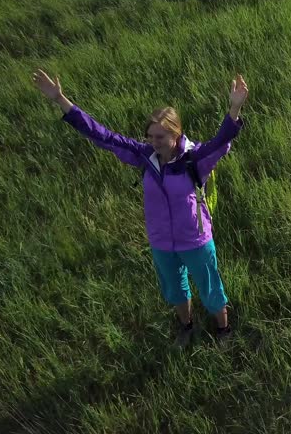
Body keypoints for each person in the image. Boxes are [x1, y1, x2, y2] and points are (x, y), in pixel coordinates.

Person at [32, 68, 248, 347]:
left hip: (195, 240)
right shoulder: (145, 157)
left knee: (210, 289)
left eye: (159, 137)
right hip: (161, 242)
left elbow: (221, 141)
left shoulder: (195, 159)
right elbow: (103, 136)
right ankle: (186, 326)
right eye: (149, 137)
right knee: (176, 289)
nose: (153, 143)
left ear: (176, 134)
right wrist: (61, 99)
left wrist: (234, 109)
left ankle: (223, 330)